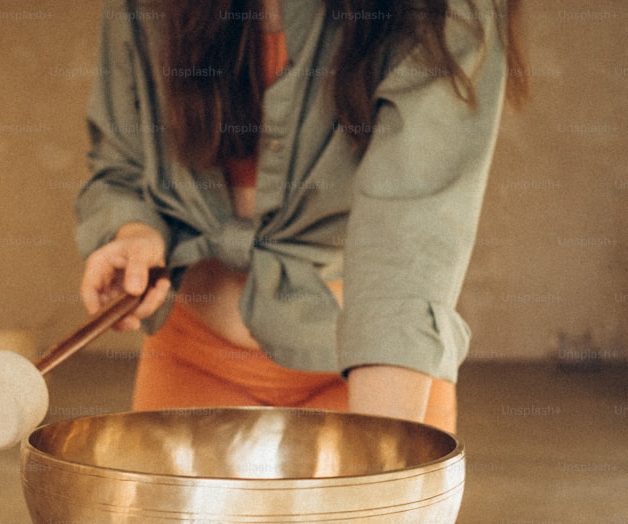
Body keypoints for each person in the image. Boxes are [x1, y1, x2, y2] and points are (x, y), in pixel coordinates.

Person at [75, 0, 527, 433]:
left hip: (374, 378)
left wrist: (384, 458)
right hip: (188, 360)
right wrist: (135, 228)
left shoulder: (446, 9)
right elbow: (122, 162)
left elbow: (408, 246)